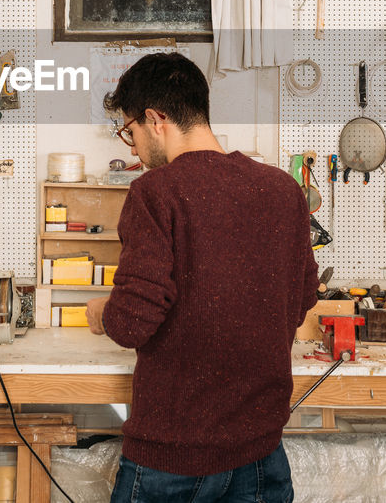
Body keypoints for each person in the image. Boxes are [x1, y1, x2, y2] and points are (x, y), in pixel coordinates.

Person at [85, 52, 319, 503]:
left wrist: (103, 313)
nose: (131, 148)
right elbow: (303, 295)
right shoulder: (282, 189)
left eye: (129, 132)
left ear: (155, 119)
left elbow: (133, 323)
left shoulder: (155, 192)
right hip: (261, 455)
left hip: (171, 460)